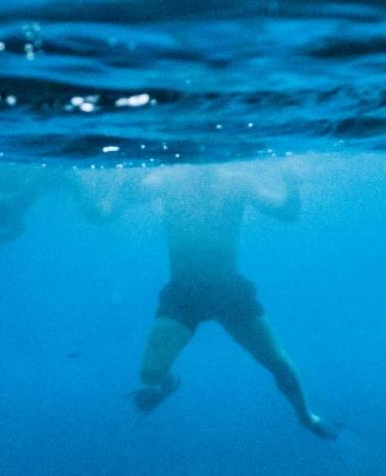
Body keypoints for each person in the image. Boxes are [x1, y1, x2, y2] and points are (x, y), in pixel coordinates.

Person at [126, 165, 333, 439]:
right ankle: (169, 383)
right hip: (184, 291)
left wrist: (291, 183)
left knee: (277, 362)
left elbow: (286, 213)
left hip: (227, 290)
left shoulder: (238, 182)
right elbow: (136, 193)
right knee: (150, 373)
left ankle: (306, 416)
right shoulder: (167, 180)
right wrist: (128, 178)